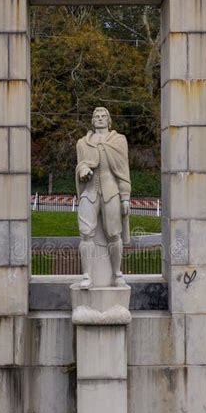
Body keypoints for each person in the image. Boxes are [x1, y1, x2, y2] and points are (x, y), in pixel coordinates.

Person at [75, 106, 131, 289]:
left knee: (114, 233)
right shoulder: (82, 143)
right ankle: (87, 276)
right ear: (92, 121)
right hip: (90, 191)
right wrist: (82, 170)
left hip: (111, 190)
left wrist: (125, 197)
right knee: (85, 233)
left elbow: (123, 170)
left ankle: (117, 274)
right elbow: (81, 165)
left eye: (103, 116)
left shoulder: (119, 140)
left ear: (108, 120)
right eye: (96, 116)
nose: (99, 118)